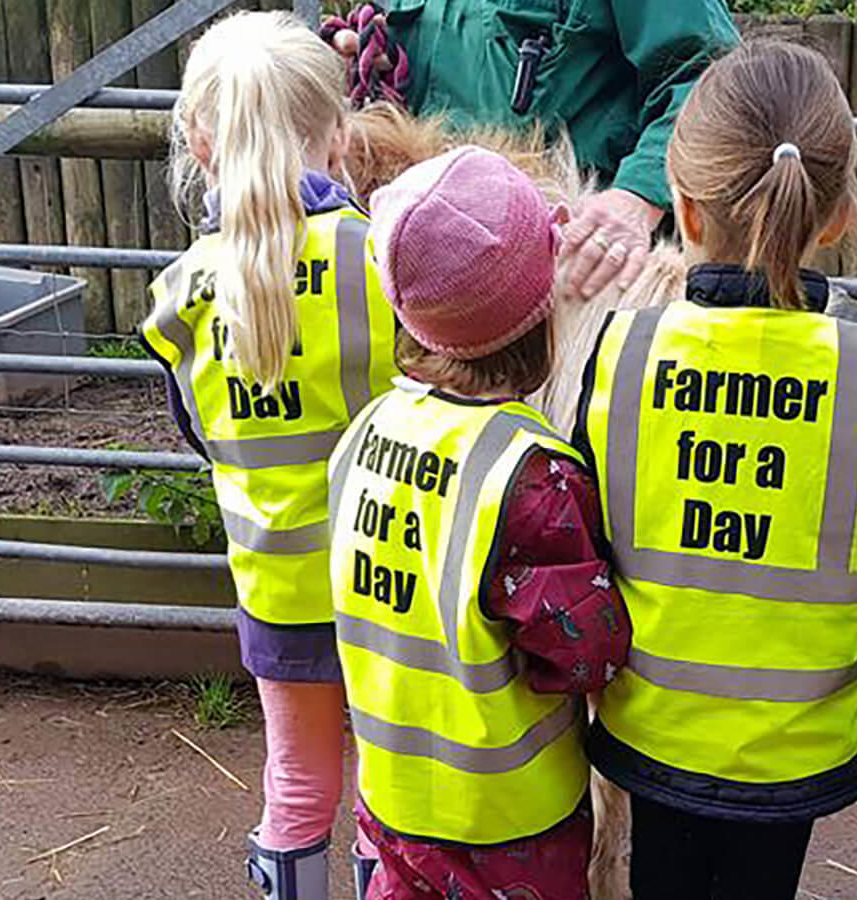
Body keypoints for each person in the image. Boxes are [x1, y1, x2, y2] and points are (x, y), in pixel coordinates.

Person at [573, 40, 857, 900]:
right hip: (798, 744)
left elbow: (586, 516)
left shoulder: (622, 351)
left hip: (654, 731)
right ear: (835, 217)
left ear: (681, 204)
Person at [137, 11, 400, 899]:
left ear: (201, 144)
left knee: (296, 787)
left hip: (274, 584)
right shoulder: (382, 258)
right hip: (386, 576)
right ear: (339, 132)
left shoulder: (177, 297)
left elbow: (198, 430)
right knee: (384, 791)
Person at [329, 145, 630, 900]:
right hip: (511, 821)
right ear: (542, 315)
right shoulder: (532, 473)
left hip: (391, 796)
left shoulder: (363, 431)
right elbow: (582, 652)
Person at [323, 0, 740, 302]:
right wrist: (374, 54)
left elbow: (712, 79)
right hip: (435, 284)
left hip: (576, 287)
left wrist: (638, 196)